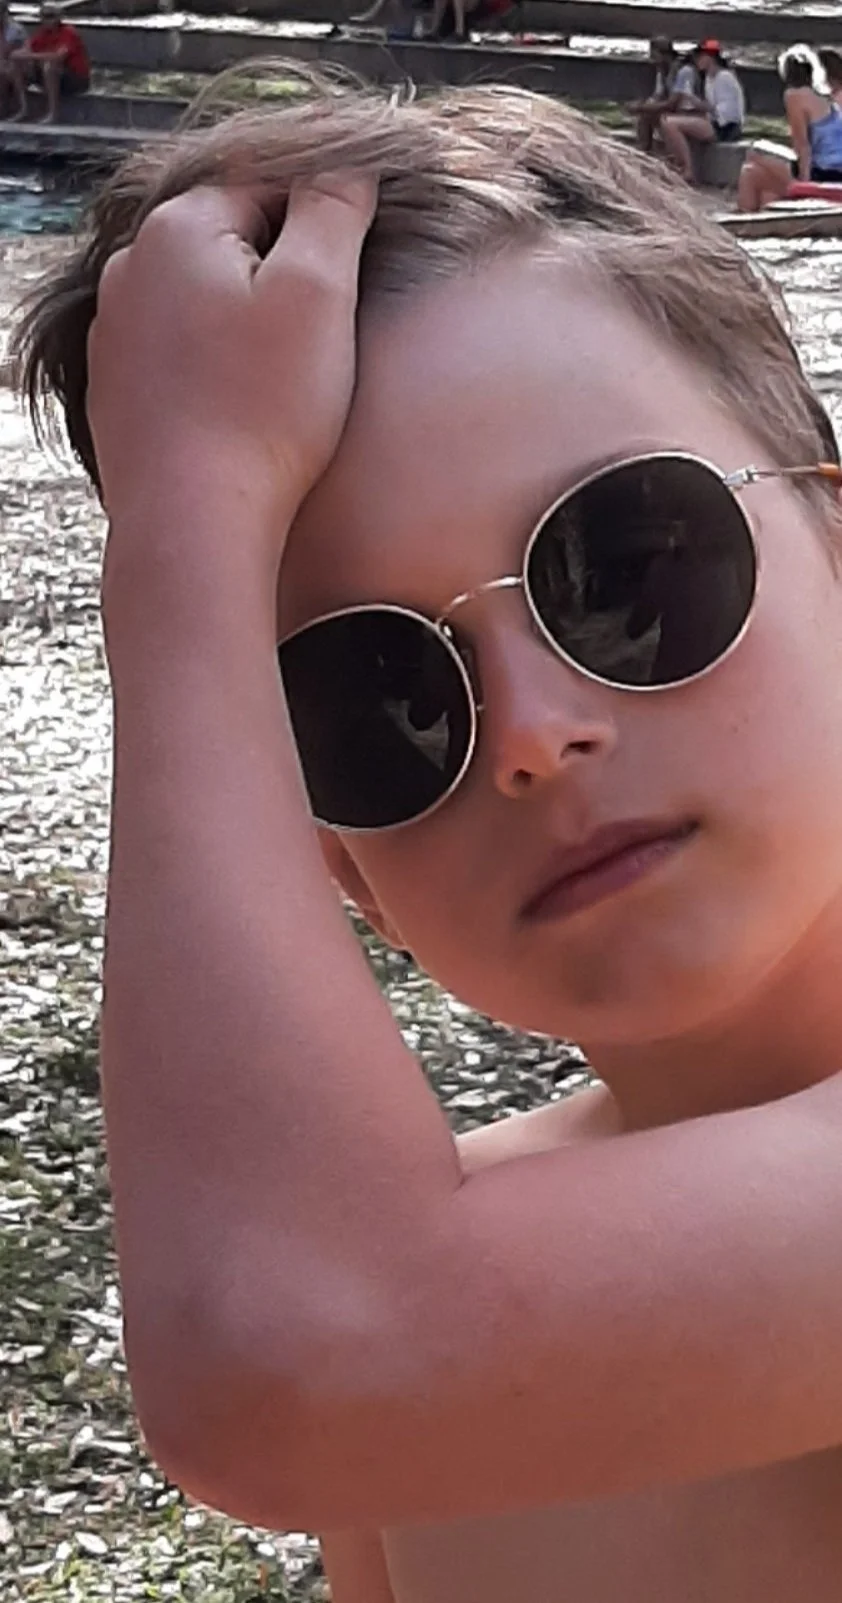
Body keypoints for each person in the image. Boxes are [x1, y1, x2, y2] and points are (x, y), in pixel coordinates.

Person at [14, 73, 842, 1603]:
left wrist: (186, 522)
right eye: (370, 696)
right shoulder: (423, 1287)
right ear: (328, 859)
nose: (530, 733)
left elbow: (296, 1352)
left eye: (623, 565)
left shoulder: (385, 1319)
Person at [738, 45, 842, 212]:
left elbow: (802, 146)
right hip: (833, 171)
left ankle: (743, 221)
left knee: (753, 155)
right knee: (754, 176)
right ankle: (758, 218)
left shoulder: (795, 95)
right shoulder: (827, 96)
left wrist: (805, 186)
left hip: (824, 174)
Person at [661, 39, 745, 182]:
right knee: (669, 119)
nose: (696, 61)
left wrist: (696, 103)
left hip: (726, 128)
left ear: (709, 58)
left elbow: (725, 113)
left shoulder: (724, 77)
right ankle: (677, 164)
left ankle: (687, 169)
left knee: (670, 124)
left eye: (699, 57)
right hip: (716, 123)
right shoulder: (709, 78)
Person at [9, 2, 89, 124]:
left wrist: (29, 56)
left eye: (51, 16)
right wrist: (18, 54)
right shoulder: (42, 34)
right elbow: (27, 48)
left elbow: (57, 57)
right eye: (43, 16)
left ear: (59, 17)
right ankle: (23, 108)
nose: (47, 20)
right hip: (52, 76)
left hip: (76, 79)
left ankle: (53, 114)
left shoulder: (69, 33)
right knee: (16, 64)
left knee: (50, 67)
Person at [631, 36, 698, 153]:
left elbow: (673, 103)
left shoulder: (683, 71)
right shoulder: (661, 72)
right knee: (645, 116)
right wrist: (644, 105)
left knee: (652, 114)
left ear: (664, 55)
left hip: (689, 111)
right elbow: (657, 95)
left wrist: (642, 107)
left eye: (654, 56)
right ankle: (644, 149)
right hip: (674, 109)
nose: (653, 60)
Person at [0, 1, 26, 119]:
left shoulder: (15, 29)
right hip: (4, 64)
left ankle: (23, 108)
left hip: (18, 66)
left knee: (7, 71)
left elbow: (6, 51)